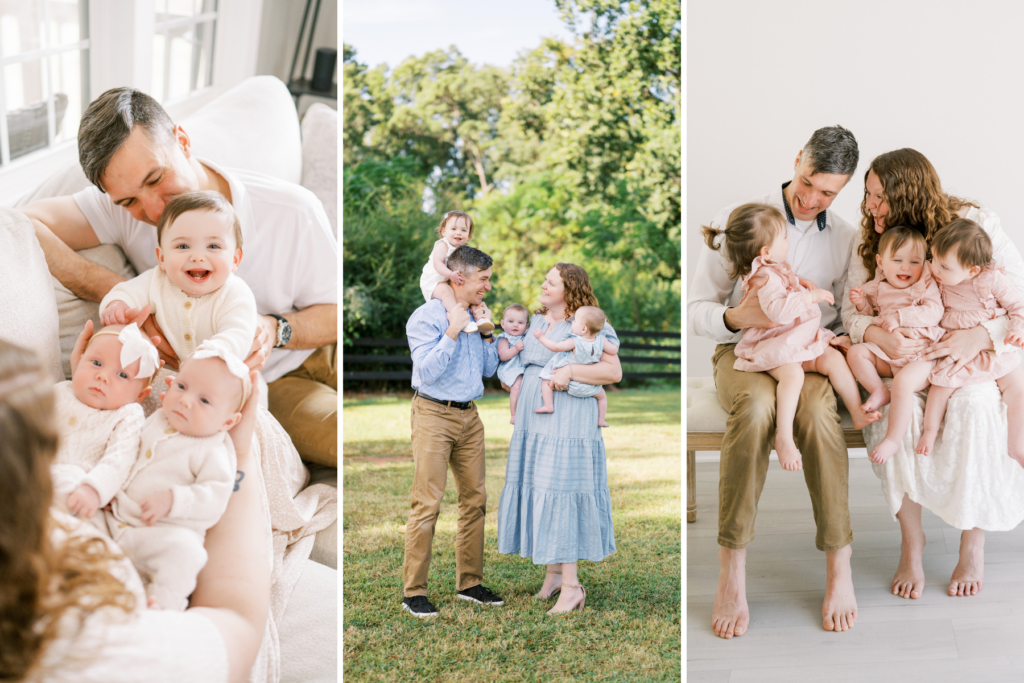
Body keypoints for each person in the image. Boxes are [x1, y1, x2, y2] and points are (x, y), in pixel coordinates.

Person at [18, 86, 337, 467]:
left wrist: (272, 329)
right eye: (129, 201)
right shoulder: (118, 211)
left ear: (182, 142)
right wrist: (123, 294)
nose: (153, 209)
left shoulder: (291, 210)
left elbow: (338, 314)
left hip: (320, 345)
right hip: (273, 381)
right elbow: (20, 221)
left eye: (156, 179)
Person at [0, 337, 269, 683]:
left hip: (151, 526)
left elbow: (209, 490)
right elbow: (238, 627)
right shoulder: (93, 643)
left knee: (182, 554)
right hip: (123, 532)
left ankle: (165, 598)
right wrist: (243, 452)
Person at [687, 125, 861, 638]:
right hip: (741, 350)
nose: (811, 198)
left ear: (842, 188)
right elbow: (697, 309)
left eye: (827, 191)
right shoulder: (739, 218)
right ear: (797, 160)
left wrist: (845, 340)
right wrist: (740, 317)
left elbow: (847, 313)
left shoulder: (847, 238)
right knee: (759, 410)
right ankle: (732, 567)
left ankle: (839, 562)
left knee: (815, 415)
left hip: (804, 354)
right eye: (807, 181)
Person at [840, 148, 1024, 600]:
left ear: (908, 195)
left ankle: (973, 542)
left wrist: (979, 336)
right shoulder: (873, 239)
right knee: (893, 418)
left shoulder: (974, 222)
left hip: (969, 354)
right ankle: (912, 541)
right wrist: (879, 339)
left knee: (978, 408)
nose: (870, 207)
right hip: (906, 356)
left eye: (879, 197)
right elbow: (851, 307)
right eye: (868, 195)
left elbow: (1015, 296)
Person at [702, 202, 878, 471]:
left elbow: (786, 278)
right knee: (793, 374)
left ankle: (856, 411)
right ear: (765, 251)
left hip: (794, 339)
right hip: (774, 343)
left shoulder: (772, 267)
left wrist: (801, 281)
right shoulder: (764, 277)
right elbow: (777, 311)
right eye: (784, 237)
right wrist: (810, 296)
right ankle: (784, 436)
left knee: (832, 359)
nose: (788, 240)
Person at [496, 263, 621, 615]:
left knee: (561, 490)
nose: (543, 285)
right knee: (541, 486)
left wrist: (568, 370)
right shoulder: (532, 321)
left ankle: (571, 587)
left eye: (551, 282)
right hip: (534, 421)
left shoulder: (587, 323)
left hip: (567, 421)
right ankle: (553, 575)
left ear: (569, 289)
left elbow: (614, 370)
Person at [106, 342, 250, 611]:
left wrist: (173, 500)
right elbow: (126, 453)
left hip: (158, 534)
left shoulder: (212, 449)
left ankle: (161, 604)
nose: (185, 400)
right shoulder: (158, 418)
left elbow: (215, 496)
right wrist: (108, 490)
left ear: (228, 422)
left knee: (187, 553)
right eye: (182, 387)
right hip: (114, 516)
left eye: (204, 400)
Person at [402, 245, 503, 617]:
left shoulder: (478, 316)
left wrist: (488, 333)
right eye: (483, 279)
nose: (488, 287)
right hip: (433, 413)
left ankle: (470, 583)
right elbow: (426, 371)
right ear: (458, 278)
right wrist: (452, 332)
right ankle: (414, 591)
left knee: (475, 500)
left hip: (470, 418)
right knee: (427, 503)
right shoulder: (426, 317)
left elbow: (489, 370)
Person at [918, 219, 1024, 459]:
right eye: (933, 258)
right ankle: (930, 432)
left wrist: (1017, 329)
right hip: (957, 345)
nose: (935, 268)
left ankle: (1017, 446)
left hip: (992, 347)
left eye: (944, 266)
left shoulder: (991, 279)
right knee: (940, 386)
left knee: (1019, 392)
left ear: (973, 270)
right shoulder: (935, 277)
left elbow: (1018, 304)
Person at [845, 227, 944, 464]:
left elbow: (934, 311)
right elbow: (870, 314)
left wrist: (900, 317)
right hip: (888, 355)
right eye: (897, 260)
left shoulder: (924, 284)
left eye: (914, 261)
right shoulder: (876, 286)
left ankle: (893, 439)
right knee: (856, 352)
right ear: (880, 262)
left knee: (902, 383)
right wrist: (860, 304)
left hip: (920, 356)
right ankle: (879, 389)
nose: (906, 268)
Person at [52, 323, 158, 520]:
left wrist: (93, 489)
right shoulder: (60, 390)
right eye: (97, 363)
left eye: (122, 375)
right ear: (81, 359)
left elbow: (120, 458)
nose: (102, 376)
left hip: (75, 484)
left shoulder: (127, 415)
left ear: (140, 395)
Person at [532, 305, 617, 428]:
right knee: (602, 397)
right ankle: (601, 419)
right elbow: (613, 350)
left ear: (583, 329)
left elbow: (556, 347)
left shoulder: (575, 341)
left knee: (545, 380)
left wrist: (541, 337)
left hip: (570, 384)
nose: (573, 322)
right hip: (590, 386)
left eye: (575, 320)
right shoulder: (601, 340)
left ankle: (548, 405)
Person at [418, 210, 494, 334]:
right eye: (453, 228)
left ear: (469, 235)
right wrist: (450, 275)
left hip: (448, 278)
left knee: (472, 298)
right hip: (434, 281)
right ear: (443, 231)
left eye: (463, 230)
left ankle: (479, 319)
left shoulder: (462, 251)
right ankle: (457, 317)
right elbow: (437, 263)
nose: (458, 233)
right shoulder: (442, 245)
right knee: (447, 291)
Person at [496, 303, 529, 425]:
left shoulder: (526, 336)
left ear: (527, 327)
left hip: (521, 368)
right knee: (517, 386)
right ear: (503, 324)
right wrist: (515, 349)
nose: (515, 325)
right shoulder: (504, 338)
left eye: (520, 323)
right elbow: (503, 356)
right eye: (511, 321)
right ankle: (514, 414)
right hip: (510, 369)